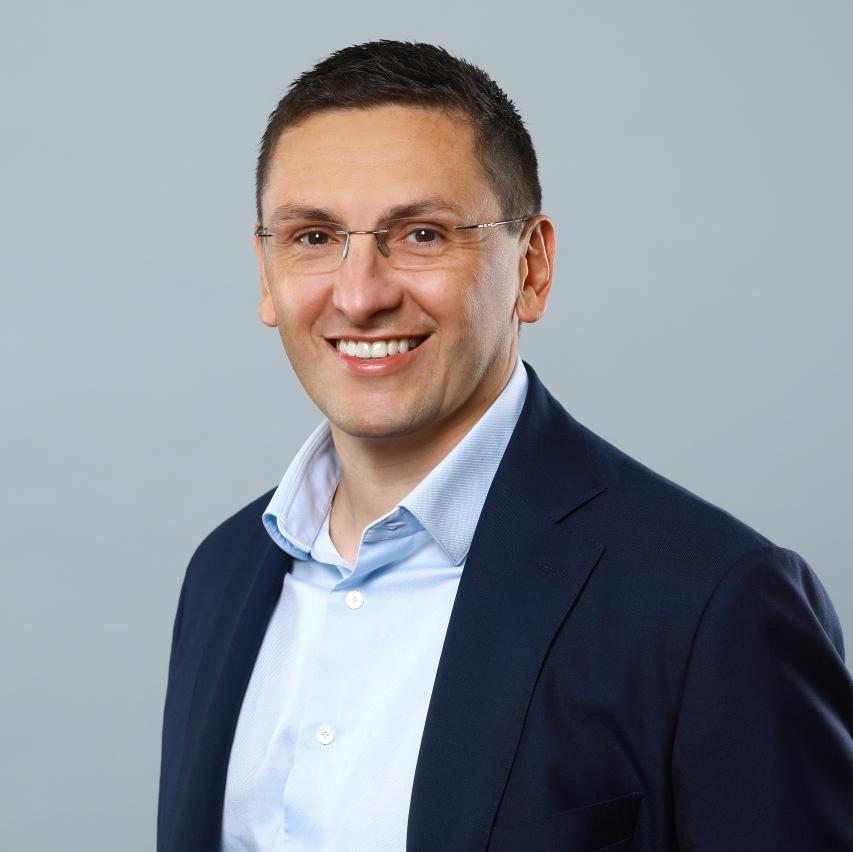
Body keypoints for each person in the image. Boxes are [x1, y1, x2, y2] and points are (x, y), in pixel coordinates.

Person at [157, 40, 853, 852]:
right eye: (313, 237)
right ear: (266, 273)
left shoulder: (710, 602)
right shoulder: (223, 572)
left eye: (420, 233)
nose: (359, 294)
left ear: (532, 268)